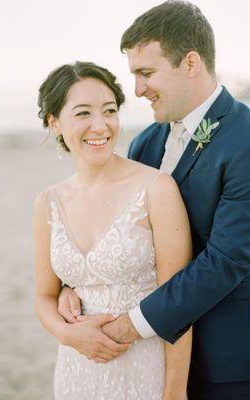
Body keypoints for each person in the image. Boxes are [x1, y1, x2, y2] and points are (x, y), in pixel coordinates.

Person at [59, 1, 250, 399]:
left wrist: (131, 325)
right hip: (151, 358)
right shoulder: (147, 141)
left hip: (229, 358)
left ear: (191, 63)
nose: (138, 89)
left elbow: (226, 262)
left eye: (146, 73)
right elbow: (116, 224)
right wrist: (74, 285)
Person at [34, 61, 192, 400]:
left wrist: (175, 392)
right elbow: (45, 296)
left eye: (109, 110)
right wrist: (66, 334)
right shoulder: (48, 202)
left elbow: (180, 301)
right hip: (76, 375)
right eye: (82, 113)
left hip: (145, 373)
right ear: (55, 122)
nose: (100, 125)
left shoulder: (156, 189)